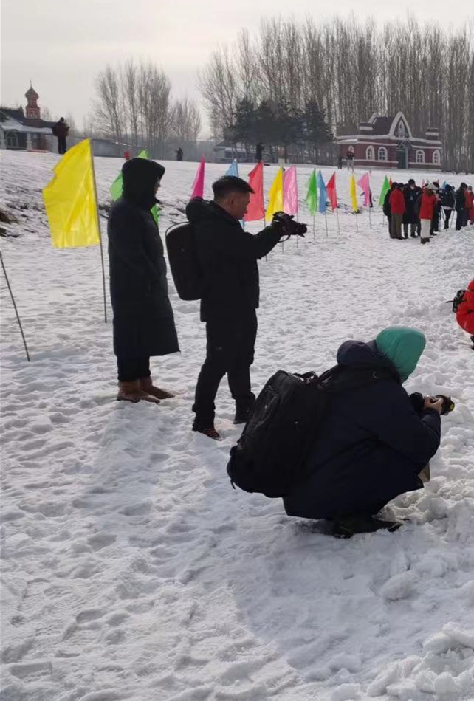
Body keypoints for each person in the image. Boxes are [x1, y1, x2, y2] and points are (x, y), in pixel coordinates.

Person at [282, 327, 444, 538]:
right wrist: (432, 413)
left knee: (398, 441)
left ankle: (347, 505)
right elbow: (423, 444)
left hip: (304, 485)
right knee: (412, 456)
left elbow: (371, 416)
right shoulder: (380, 389)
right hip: (323, 493)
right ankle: (352, 515)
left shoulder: (352, 373)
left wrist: (414, 405)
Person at [187, 175, 294, 439]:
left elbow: (244, 248)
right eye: (245, 203)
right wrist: (276, 230)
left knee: (242, 358)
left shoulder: (225, 222)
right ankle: (203, 419)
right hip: (223, 306)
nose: (247, 209)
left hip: (240, 303)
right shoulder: (212, 225)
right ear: (231, 200)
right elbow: (250, 248)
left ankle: (244, 406)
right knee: (217, 362)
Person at [108, 157, 179, 404]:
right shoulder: (124, 211)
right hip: (131, 287)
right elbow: (131, 253)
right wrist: (150, 275)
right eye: (154, 182)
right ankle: (128, 385)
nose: (157, 187)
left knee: (144, 333)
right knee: (130, 333)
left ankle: (144, 382)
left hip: (147, 285)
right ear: (141, 182)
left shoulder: (140, 208)